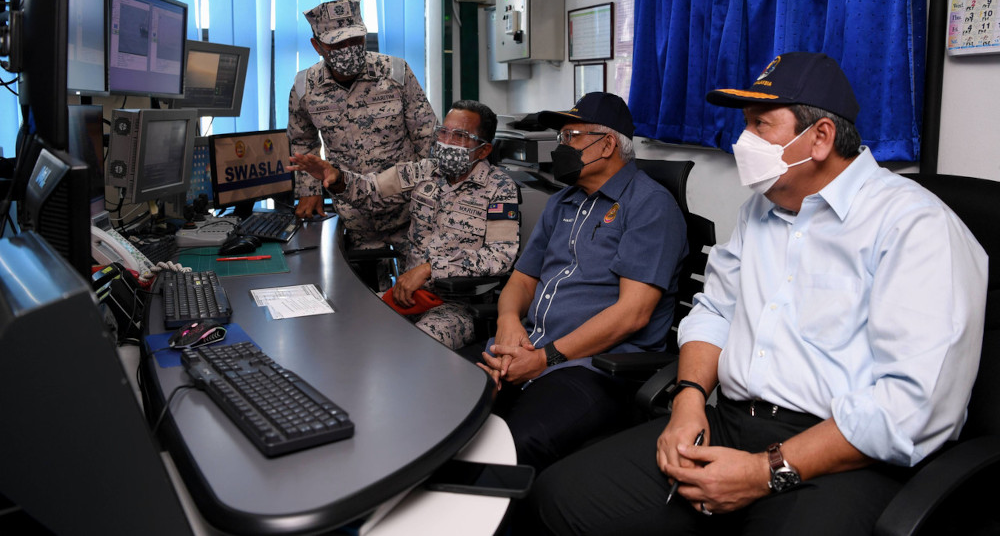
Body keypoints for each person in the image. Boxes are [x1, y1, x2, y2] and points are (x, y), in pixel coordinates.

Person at [525, 52, 988, 535]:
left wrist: (762, 471)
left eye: (760, 125)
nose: (743, 141)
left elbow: (911, 407)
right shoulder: (761, 210)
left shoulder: (915, 226)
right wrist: (687, 401)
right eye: (745, 125)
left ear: (821, 137)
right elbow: (714, 310)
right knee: (559, 498)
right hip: (729, 421)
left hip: (840, 451)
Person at [476, 92, 689, 473]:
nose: (562, 147)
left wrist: (543, 359)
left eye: (570, 136)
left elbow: (632, 314)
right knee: (448, 410)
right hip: (530, 348)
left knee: (512, 444)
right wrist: (508, 326)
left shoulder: (649, 206)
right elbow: (522, 280)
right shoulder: (563, 202)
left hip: (595, 368)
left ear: (607, 144)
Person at [290, 100, 520, 349]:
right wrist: (336, 178)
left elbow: (499, 257)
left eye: (460, 136)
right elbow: (373, 189)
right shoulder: (425, 171)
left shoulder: (500, 188)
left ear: (484, 150)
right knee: (343, 322)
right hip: (406, 296)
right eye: (443, 132)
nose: (447, 141)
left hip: (458, 308)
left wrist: (429, 269)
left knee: (413, 349)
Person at [287, 0, 437, 257]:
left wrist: (433, 197)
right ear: (317, 45)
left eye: (355, 39)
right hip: (353, 217)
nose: (349, 48)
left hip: (409, 211)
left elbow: (428, 139)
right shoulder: (305, 86)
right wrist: (309, 191)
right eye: (337, 43)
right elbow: (302, 142)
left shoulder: (395, 72)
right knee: (361, 291)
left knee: (417, 291)